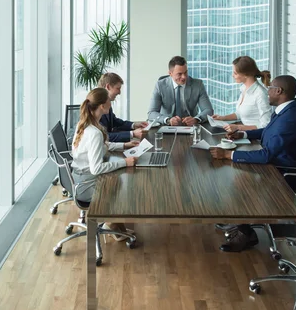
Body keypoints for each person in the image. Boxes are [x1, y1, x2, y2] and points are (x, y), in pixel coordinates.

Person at [209, 75, 296, 252]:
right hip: (276, 165)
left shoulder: (289, 119)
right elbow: (268, 131)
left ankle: (245, 233)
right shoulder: (288, 109)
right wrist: (244, 134)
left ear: (279, 91)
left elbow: (266, 155)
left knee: (235, 180)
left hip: (281, 174)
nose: (267, 91)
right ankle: (238, 220)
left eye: (270, 88)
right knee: (231, 173)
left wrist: (228, 154)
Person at [71, 88, 139, 236]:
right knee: (124, 184)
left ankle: (115, 224)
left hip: (79, 179)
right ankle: (112, 223)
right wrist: (124, 162)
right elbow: (96, 168)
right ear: (102, 105)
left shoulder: (85, 125)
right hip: (87, 185)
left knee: (119, 179)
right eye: (109, 99)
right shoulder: (94, 132)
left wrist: (125, 145)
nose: (111, 101)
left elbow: (103, 145)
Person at [211, 56, 273, 132]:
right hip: (244, 134)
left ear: (246, 75)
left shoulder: (260, 94)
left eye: (235, 73)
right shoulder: (244, 88)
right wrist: (223, 118)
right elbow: (240, 113)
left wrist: (239, 127)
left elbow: (266, 125)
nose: (233, 76)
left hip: (256, 138)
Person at [148, 56, 213, 126]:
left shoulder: (198, 85)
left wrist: (196, 119)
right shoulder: (160, 85)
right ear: (170, 73)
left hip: (190, 126)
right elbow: (151, 113)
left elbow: (208, 110)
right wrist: (168, 120)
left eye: (185, 72)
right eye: (179, 74)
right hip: (167, 126)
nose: (184, 77)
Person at [98, 72, 149, 142]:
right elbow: (103, 136)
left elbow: (115, 122)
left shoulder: (106, 102)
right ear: (108, 87)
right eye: (118, 88)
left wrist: (134, 125)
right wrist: (132, 134)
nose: (119, 92)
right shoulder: (96, 107)